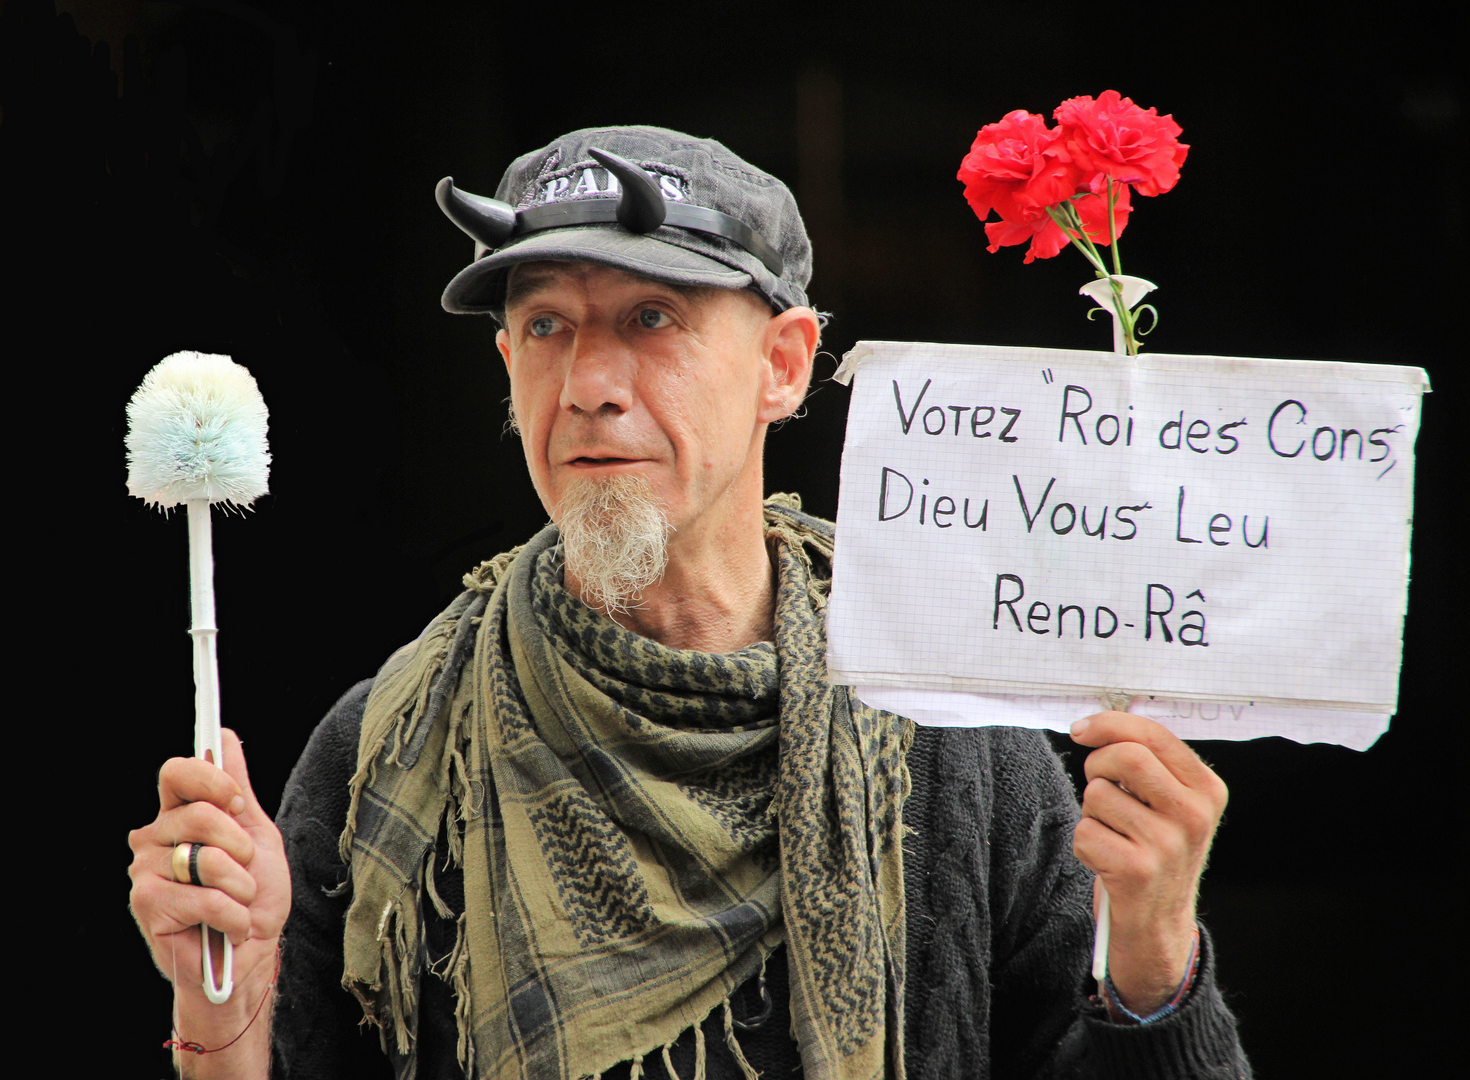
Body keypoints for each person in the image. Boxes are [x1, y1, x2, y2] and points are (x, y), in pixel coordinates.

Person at [128, 125, 1249, 1079]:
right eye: (546, 326)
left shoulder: (950, 737)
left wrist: (1150, 956)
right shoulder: (388, 749)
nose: (588, 386)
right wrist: (223, 1010)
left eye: (653, 318)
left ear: (786, 364)